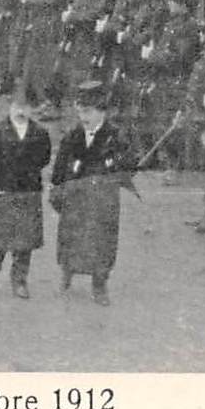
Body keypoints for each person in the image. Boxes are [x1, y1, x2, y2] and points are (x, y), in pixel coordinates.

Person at [49, 81, 135, 305]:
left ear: (102, 111)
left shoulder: (115, 136)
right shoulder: (73, 135)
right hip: (75, 198)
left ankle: (99, 285)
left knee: (102, 243)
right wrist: (56, 189)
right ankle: (67, 273)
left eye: (88, 112)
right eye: (80, 111)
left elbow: (130, 164)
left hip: (102, 202)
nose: (83, 117)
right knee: (70, 236)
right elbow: (59, 168)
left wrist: (116, 167)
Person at [0, 91, 53, 298]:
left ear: (32, 109)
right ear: (10, 106)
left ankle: (19, 280)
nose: (20, 110)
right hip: (2, 192)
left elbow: (44, 159)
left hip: (27, 193)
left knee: (24, 242)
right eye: (16, 105)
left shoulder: (40, 133)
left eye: (25, 106)